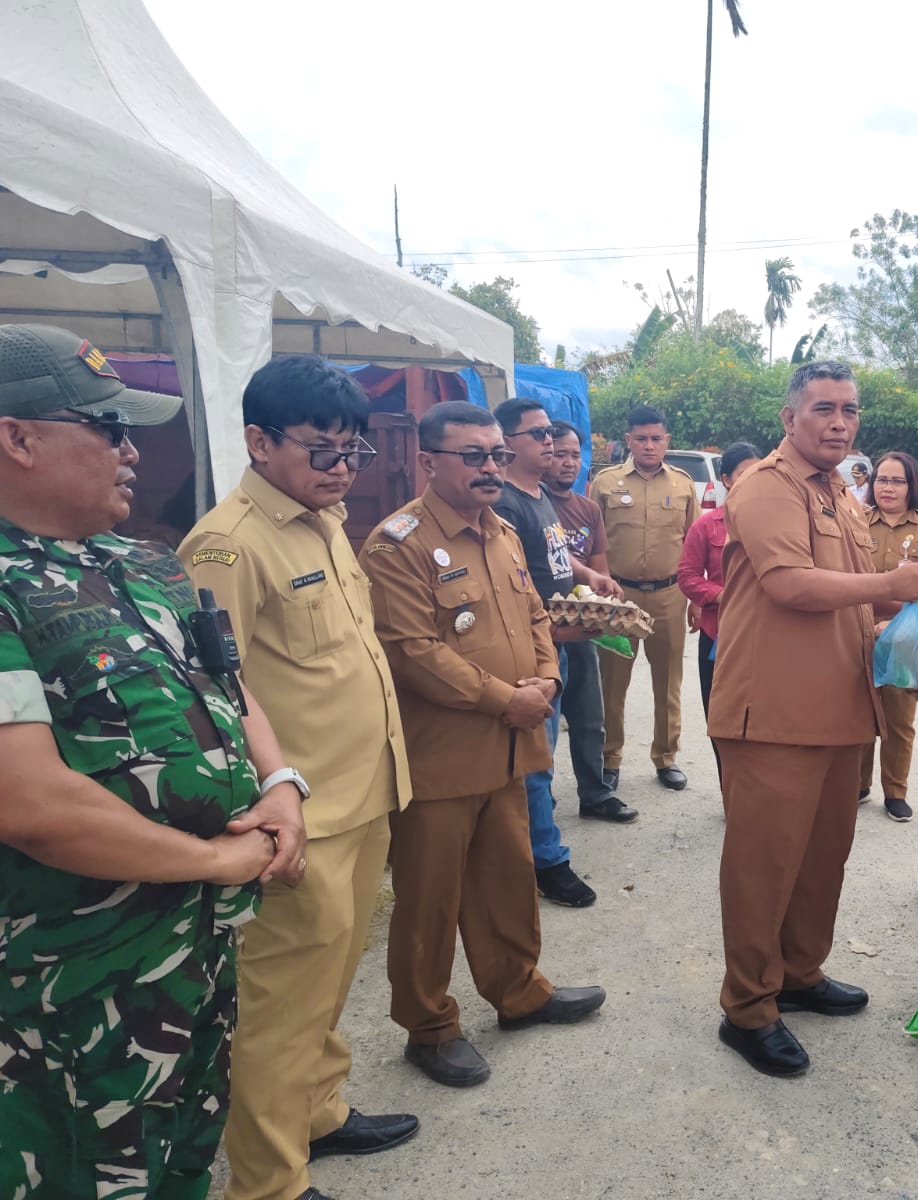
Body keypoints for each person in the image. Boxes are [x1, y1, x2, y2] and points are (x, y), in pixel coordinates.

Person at [0, 323, 308, 1199]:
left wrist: (281, 786)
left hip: (194, 953)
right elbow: (27, 801)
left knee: (183, 1158)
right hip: (73, 982)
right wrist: (217, 859)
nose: (134, 450)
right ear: (18, 438)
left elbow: (232, 689)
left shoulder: (147, 566)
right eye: (109, 429)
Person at [182, 356, 417, 1200]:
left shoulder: (322, 519)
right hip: (302, 814)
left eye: (352, 450)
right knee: (280, 1008)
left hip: (367, 794)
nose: (344, 468)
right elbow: (215, 689)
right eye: (325, 451)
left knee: (334, 972)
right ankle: (268, 1182)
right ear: (258, 441)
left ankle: (320, 1112)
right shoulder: (226, 545)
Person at [361, 401, 604, 1089]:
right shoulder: (396, 542)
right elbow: (412, 651)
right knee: (429, 901)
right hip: (442, 754)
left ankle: (520, 992)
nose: (491, 467)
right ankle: (430, 1026)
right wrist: (510, 699)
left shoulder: (501, 533)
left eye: (497, 454)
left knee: (507, 879)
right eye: (474, 455)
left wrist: (550, 675)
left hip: (508, 748)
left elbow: (532, 613)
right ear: (427, 461)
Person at [708, 362, 918, 1078]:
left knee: (821, 859)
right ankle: (748, 1008)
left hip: (840, 707)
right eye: (824, 409)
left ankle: (799, 973)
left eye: (851, 410)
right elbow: (789, 584)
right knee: (763, 866)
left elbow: (857, 602)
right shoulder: (766, 487)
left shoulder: (840, 491)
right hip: (772, 710)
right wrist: (887, 583)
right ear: (790, 418)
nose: (840, 422)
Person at [494, 400, 634, 910]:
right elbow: (511, 585)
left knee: (549, 751)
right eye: (539, 434)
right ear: (507, 443)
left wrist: (586, 575)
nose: (550, 441)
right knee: (536, 761)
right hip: (537, 647)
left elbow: (551, 553)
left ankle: (541, 845)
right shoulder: (505, 503)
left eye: (551, 432)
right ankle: (546, 861)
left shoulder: (537, 496)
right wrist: (555, 631)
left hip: (560, 642)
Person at [589, 405, 699, 791]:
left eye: (656, 438)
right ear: (628, 441)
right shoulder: (604, 484)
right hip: (619, 596)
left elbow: (693, 546)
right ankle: (610, 758)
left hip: (669, 596)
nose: (649, 446)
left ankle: (666, 756)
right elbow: (593, 545)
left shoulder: (683, 485)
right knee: (612, 681)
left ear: (667, 441)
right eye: (641, 439)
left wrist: (696, 599)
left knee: (667, 681)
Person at [544, 420, 637, 826]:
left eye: (573, 455)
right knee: (544, 721)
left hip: (579, 627)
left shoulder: (588, 510)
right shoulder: (533, 502)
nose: (567, 463)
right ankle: (538, 804)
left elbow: (598, 574)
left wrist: (605, 607)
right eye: (559, 454)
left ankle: (595, 793)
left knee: (588, 715)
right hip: (542, 628)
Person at [856, 451, 918, 823]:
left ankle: (895, 791)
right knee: (857, 712)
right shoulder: (856, 522)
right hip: (856, 629)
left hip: (906, 633)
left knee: (899, 717)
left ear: (912, 486)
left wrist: (896, 623)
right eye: (881, 480)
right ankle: (857, 785)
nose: (887, 488)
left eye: (897, 481)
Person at [676, 441, 762, 786]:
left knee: (765, 718)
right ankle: (732, 790)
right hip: (719, 635)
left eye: (758, 473)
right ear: (726, 479)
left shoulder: (775, 525)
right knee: (722, 718)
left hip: (766, 637)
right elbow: (688, 577)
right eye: (743, 474)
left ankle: (761, 792)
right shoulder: (707, 526)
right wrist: (723, 596)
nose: (752, 480)